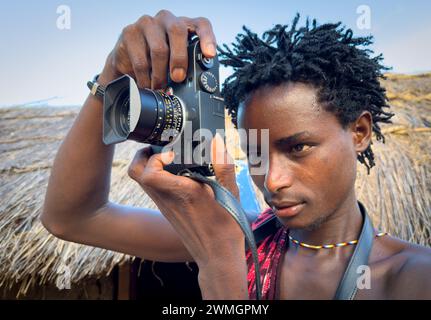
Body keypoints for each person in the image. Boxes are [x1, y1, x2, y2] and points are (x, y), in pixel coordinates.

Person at [42, 10, 431, 299]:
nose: (272, 179)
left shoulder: (413, 277)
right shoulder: (243, 236)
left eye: (299, 147)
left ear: (359, 133)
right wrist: (111, 77)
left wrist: (220, 267)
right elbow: (73, 217)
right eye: (255, 152)